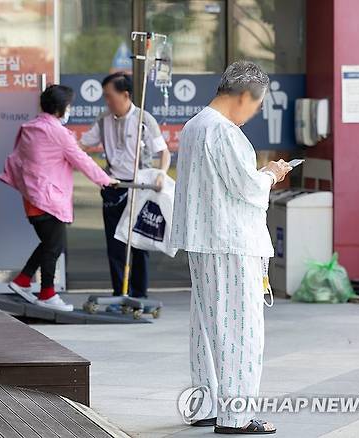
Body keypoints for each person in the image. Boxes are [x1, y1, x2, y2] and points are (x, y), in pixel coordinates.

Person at [171, 61, 292, 434]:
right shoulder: (225, 133)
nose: (254, 112)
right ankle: (236, 416)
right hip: (231, 242)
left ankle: (206, 405)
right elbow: (248, 189)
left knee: (207, 326)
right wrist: (272, 173)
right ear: (243, 97)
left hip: (203, 239)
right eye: (255, 105)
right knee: (241, 329)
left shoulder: (195, 125)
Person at [0, 84, 118, 311]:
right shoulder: (57, 132)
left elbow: (16, 161)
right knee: (54, 247)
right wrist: (105, 180)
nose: (70, 110)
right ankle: (47, 294)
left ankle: (23, 280)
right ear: (60, 108)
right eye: (69, 106)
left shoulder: (30, 128)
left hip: (33, 198)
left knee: (50, 243)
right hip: (49, 199)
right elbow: (80, 159)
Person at [80, 72, 171, 300]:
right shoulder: (103, 120)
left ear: (125, 95)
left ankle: (139, 295)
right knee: (115, 243)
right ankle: (119, 292)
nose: (107, 101)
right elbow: (80, 146)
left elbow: (164, 152)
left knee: (137, 242)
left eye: (109, 96)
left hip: (139, 188)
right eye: (105, 97)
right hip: (114, 187)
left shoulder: (143, 120)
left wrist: (160, 174)